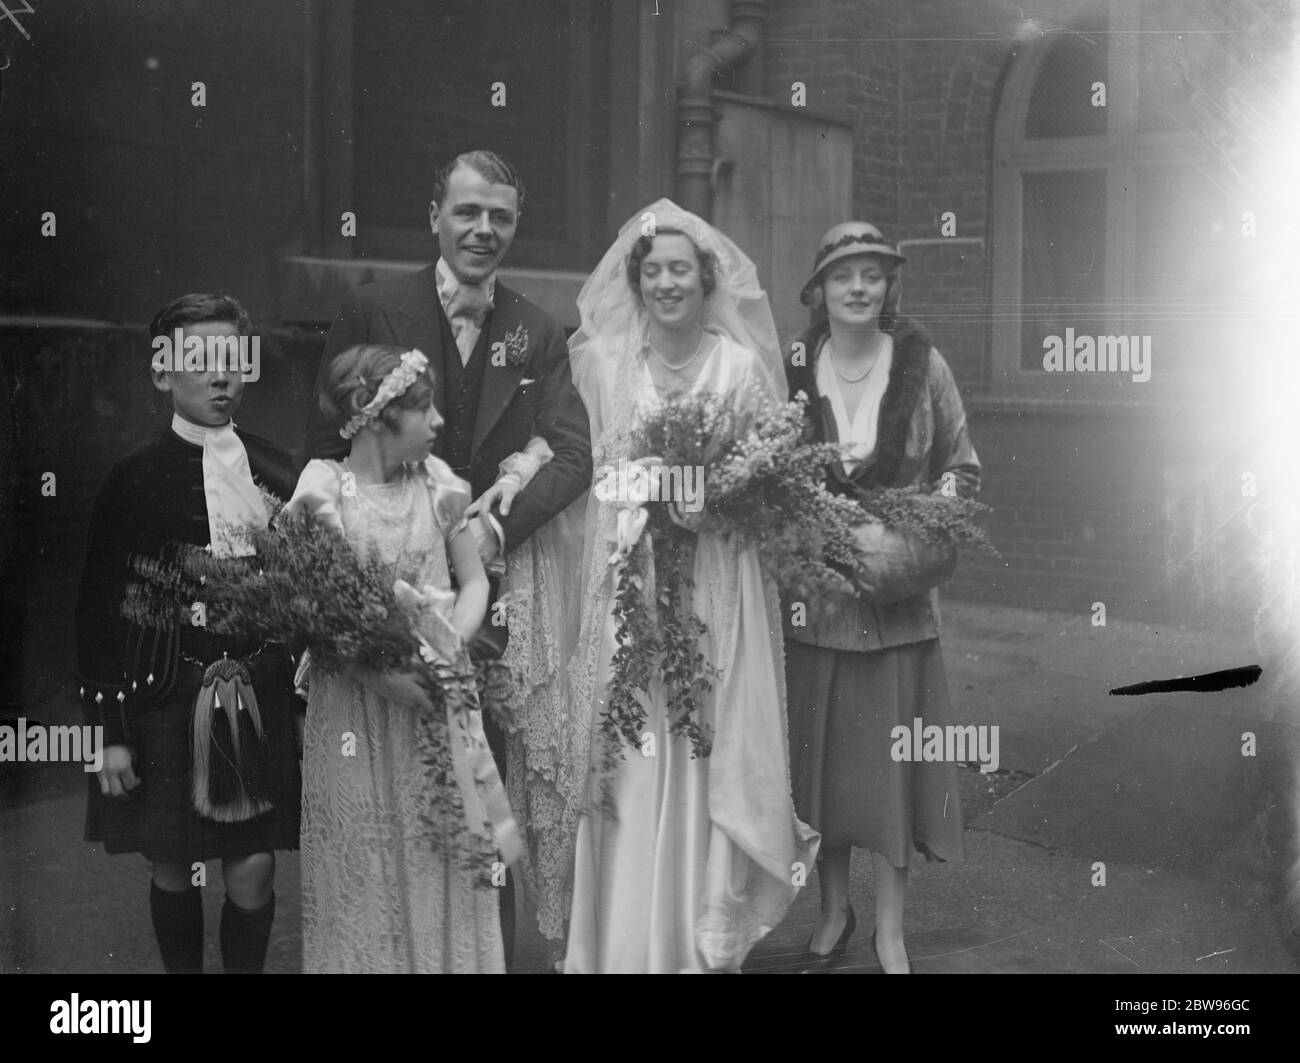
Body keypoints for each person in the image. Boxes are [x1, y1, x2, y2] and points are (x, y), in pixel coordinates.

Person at [302, 150, 591, 965]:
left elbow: (574, 454)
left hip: (482, 601)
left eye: (500, 216)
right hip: (376, 605)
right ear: (436, 214)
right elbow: (326, 447)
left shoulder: (538, 330)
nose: (483, 230)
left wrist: (494, 536)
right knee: (378, 810)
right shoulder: (370, 310)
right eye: (468, 212)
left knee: (475, 795)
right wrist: (360, 610)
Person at [563, 199, 819, 973]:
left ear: (707, 280)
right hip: (632, 579)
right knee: (634, 750)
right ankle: (618, 944)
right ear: (635, 280)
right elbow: (596, 477)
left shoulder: (739, 368)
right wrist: (637, 495)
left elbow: (767, 485)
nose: (667, 282)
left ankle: (694, 942)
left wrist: (713, 500)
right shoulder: (611, 364)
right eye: (653, 269)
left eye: (682, 269)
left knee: (705, 742)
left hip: (714, 580)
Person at [76, 293, 301, 974]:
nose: (221, 375)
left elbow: (298, 594)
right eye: (200, 360)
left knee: (253, 867)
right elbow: (97, 611)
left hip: (255, 695)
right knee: (172, 863)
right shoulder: (132, 479)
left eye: (232, 358)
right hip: (165, 696)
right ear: (163, 372)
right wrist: (110, 732)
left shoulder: (277, 469)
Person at [783, 222, 981, 973]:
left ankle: (891, 929)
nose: (860, 288)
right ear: (820, 291)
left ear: (888, 285)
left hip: (900, 610)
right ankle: (834, 908)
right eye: (844, 276)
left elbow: (962, 468)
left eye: (873, 273)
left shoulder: (924, 366)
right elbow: (774, 474)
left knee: (891, 775)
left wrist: (920, 526)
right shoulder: (796, 366)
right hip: (821, 604)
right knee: (825, 772)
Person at [288, 342, 513, 973]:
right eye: (425, 408)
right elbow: (318, 615)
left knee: (440, 850)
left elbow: (474, 581)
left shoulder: (439, 486)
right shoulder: (323, 490)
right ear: (379, 415)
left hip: (436, 699)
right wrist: (387, 679)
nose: (439, 421)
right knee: (367, 860)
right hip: (358, 706)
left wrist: (451, 649)